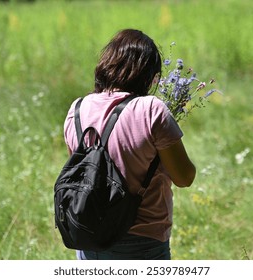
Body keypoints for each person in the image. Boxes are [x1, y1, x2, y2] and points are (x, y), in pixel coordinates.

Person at [63, 29, 196, 260]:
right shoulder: (151, 109)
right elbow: (184, 178)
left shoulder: (77, 109)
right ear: (148, 73)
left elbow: (80, 173)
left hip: (88, 237)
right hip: (142, 243)